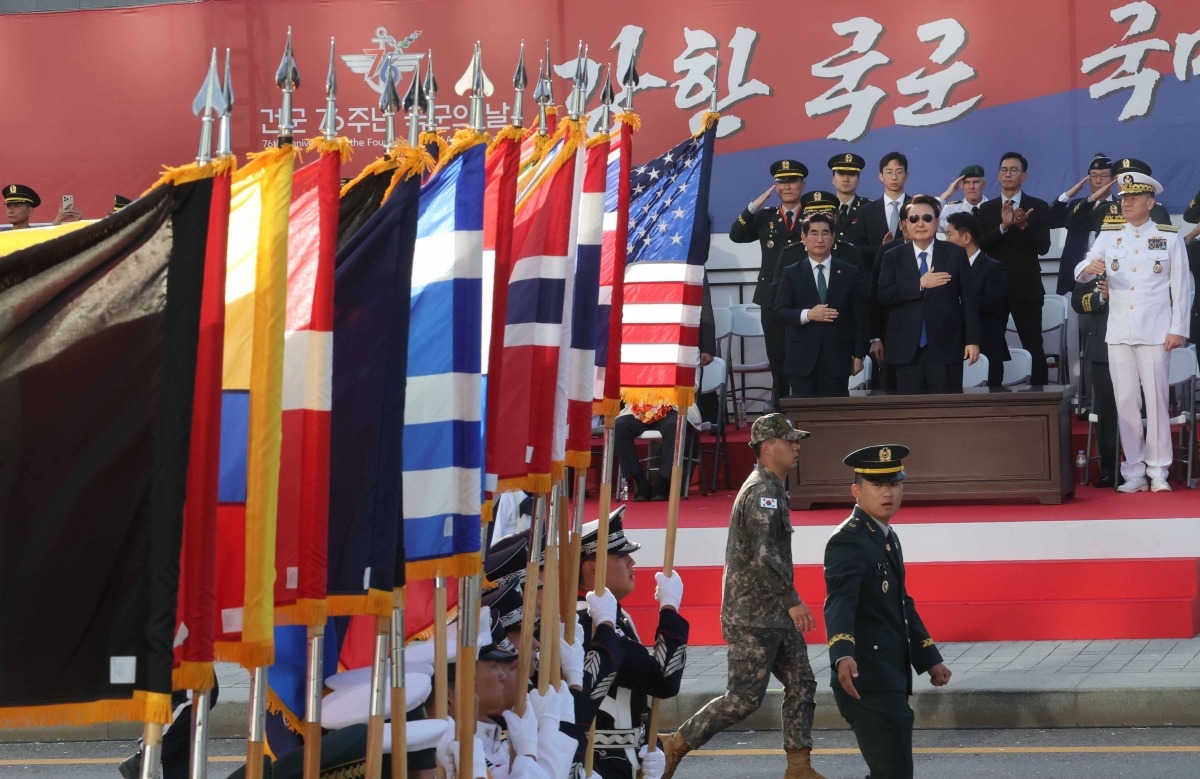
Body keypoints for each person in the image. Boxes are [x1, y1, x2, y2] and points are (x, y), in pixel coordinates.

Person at [659, 413, 826, 779]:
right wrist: (792, 599)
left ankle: (799, 766)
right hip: (753, 615)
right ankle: (676, 743)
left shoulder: (773, 488)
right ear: (768, 449)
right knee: (744, 699)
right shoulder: (763, 493)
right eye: (789, 441)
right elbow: (766, 554)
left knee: (802, 683)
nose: (797, 446)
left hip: (773, 614)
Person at [824, 444, 952, 779]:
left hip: (889, 676)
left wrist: (929, 659)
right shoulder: (848, 540)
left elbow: (900, 604)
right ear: (856, 490)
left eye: (894, 484)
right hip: (865, 679)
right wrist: (841, 654)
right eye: (878, 485)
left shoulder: (886, 536)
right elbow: (840, 601)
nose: (888, 492)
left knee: (890, 772)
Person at [1075, 170, 1193, 493]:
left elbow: (1181, 288)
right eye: (1124, 197)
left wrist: (1178, 328)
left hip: (1156, 332)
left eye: (1134, 198)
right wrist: (1089, 268)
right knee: (1126, 401)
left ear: (1150, 202)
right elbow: (1081, 272)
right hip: (1119, 333)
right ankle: (1133, 471)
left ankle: (1158, 471)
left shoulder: (1168, 237)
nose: (1126, 203)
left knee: (1155, 401)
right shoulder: (1110, 235)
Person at [576, 511, 688, 779]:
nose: (631, 562)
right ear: (592, 569)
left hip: (619, 761)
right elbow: (663, 680)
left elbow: (634, 691)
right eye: (621, 557)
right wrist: (669, 609)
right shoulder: (584, 623)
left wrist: (649, 744)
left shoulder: (614, 617)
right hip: (596, 763)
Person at [876, 195, 980, 393]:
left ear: (938, 221)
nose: (920, 223)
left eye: (927, 218)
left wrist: (972, 340)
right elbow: (884, 295)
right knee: (907, 415)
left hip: (946, 346)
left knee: (946, 413)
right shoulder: (892, 256)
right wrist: (920, 284)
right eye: (914, 219)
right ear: (906, 223)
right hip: (905, 349)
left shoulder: (955, 253)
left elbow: (969, 300)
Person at [730, 159, 809, 407]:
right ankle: (780, 412)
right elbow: (736, 235)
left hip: (804, 297)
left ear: (802, 185)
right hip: (771, 297)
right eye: (781, 182)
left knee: (804, 357)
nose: (787, 187)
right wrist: (755, 205)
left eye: (792, 181)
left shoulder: (813, 215)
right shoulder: (765, 217)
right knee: (778, 359)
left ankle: (806, 409)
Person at [775, 211, 869, 397]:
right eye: (814, 233)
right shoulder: (791, 273)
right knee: (804, 418)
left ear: (833, 237)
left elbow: (860, 317)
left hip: (837, 358)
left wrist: (859, 355)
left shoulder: (850, 272)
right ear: (804, 237)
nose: (820, 239)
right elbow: (779, 312)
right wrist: (808, 315)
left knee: (836, 417)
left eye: (825, 233)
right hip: (801, 359)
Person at [977, 152, 1052, 385]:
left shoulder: (1037, 206)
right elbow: (980, 245)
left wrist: (1023, 226)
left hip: (1026, 287)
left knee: (1032, 343)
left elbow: (1044, 248)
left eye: (1013, 170)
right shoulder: (986, 209)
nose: (1008, 174)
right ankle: (993, 398)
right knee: (992, 344)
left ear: (1024, 175)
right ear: (998, 175)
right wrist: (1003, 226)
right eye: (1004, 170)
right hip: (993, 289)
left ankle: (1041, 396)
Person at [944, 212, 1009, 387]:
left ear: (966, 237)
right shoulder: (946, 268)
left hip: (986, 345)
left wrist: (960, 299)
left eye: (949, 234)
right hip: (952, 347)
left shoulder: (992, 267)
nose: (945, 240)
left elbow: (994, 304)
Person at [1071, 276, 1118, 487]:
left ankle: (1147, 467)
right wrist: (1102, 296)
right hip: (1103, 348)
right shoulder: (1096, 267)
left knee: (1141, 409)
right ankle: (1109, 469)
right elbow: (1078, 301)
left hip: (1138, 342)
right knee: (1105, 412)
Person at [828, 153, 870, 268]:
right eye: (841, 174)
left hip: (860, 273)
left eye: (851, 174)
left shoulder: (869, 209)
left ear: (858, 179)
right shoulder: (823, 209)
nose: (846, 179)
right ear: (833, 179)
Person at [937, 164, 989, 235]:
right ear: (961, 185)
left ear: (984, 184)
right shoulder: (951, 210)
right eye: (967, 182)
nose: (971, 187)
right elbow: (928, 221)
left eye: (975, 182)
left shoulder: (995, 208)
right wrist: (946, 195)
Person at [3, 183, 80, 229]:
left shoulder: (36, 235)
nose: (10, 211)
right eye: (8, 205)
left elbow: (45, 243)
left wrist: (79, 224)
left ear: (30, 211)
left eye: (16, 205)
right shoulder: (2, 236)